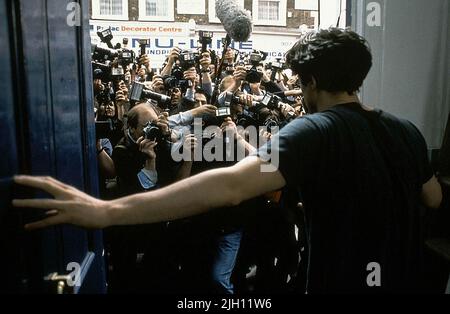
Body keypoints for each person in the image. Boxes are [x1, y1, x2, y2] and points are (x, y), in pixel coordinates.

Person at [13, 28, 442, 293]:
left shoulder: (314, 131)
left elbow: (229, 185)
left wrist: (107, 212)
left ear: (311, 81)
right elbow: (434, 198)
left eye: (300, 83)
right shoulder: (405, 129)